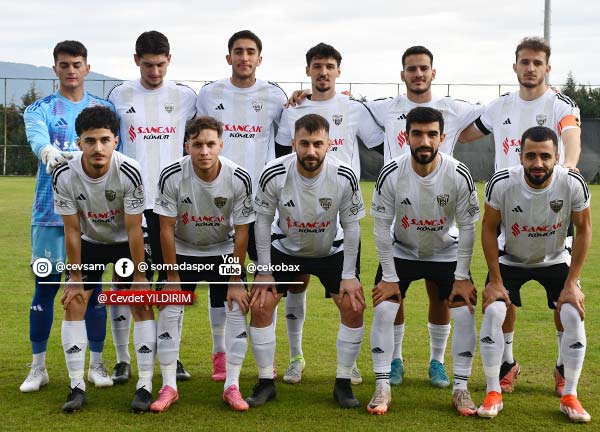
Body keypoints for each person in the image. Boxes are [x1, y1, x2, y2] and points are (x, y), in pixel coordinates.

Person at [460, 36, 581, 395]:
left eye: (537, 63)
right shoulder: (500, 106)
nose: (530, 68)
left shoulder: (560, 103)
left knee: (563, 296)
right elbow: (464, 134)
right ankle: (507, 363)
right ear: (515, 67)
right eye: (524, 62)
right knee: (503, 292)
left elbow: (571, 133)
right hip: (508, 209)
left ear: (547, 68)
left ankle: (563, 366)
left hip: (551, 209)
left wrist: (570, 166)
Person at [275, 42, 384, 384]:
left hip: (341, 215)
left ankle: (349, 363)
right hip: (298, 211)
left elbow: (383, 142)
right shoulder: (293, 110)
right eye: (317, 66)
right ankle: (296, 357)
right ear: (308, 70)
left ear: (338, 71)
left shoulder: (354, 109)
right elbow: (280, 154)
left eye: (329, 66)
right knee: (296, 285)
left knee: (348, 294)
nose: (323, 72)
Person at [247, 113, 365, 408]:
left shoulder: (344, 175)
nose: (311, 151)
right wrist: (264, 271)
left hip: (330, 250)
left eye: (317, 144)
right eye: (304, 144)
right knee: (260, 305)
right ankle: (265, 382)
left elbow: (352, 227)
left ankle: (343, 383)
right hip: (286, 248)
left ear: (329, 145)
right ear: (293, 144)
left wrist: (349, 275)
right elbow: (262, 222)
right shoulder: (274, 173)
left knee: (353, 307)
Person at [369, 107, 479, 416]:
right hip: (402, 249)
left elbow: (468, 228)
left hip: (446, 252)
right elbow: (381, 227)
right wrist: (389, 276)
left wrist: (461, 277)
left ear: (442, 137)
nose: (425, 141)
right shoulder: (392, 172)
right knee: (384, 307)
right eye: (417, 134)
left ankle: (459, 386)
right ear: (406, 137)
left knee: (464, 312)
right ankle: (383, 383)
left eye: (432, 134)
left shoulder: (458, 173)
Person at [477, 126, 590, 422]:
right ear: (521, 157)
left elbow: (584, 229)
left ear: (556, 157)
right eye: (530, 156)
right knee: (494, 311)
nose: (537, 163)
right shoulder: (502, 182)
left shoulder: (572, 183)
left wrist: (572, 283)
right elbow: (488, 228)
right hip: (511, 259)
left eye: (545, 156)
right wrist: (495, 281)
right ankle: (494, 390)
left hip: (555, 258)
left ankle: (569, 393)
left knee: (572, 313)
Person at [21, 40, 113, 393]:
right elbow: (37, 139)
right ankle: (38, 368)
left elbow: (112, 149)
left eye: (77, 64)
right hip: (49, 215)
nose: (71, 70)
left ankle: (97, 364)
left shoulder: (103, 108)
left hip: (93, 217)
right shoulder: (39, 109)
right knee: (44, 289)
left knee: (92, 289)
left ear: (87, 68)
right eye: (64, 64)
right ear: (55, 69)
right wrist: (47, 151)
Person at [196, 30, 287, 382]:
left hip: (263, 206)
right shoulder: (209, 94)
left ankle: (267, 356)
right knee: (221, 283)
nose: (244, 57)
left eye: (250, 52)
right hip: (218, 204)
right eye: (238, 51)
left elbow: (290, 134)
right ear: (228, 57)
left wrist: (305, 97)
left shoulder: (275, 96)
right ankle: (220, 354)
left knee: (267, 281)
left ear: (260, 59)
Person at [52, 106, 156, 412]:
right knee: (74, 301)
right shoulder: (64, 174)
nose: (98, 148)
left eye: (104, 140)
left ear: (116, 141)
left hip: (127, 242)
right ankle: (76, 387)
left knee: (139, 301)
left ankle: (145, 385)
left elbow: (134, 228)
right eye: (90, 141)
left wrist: (140, 277)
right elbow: (72, 230)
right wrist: (74, 278)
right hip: (90, 241)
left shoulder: (130, 170)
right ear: (79, 142)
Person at [108, 30, 196, 383]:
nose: (155, 72)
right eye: (148, 65)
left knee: (172, 280)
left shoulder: (186, 97)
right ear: (136, 61)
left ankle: (171, 356)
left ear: (169, 60)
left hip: (172, 204)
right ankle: (122, 358)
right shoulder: (119, 95)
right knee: (125, 276)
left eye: (161, 64)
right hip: (130, 202)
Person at [153, 116, 255, 412]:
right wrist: (172, 278)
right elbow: (165, 229)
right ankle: (169, 386)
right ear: (187, 146)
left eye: (211, 144)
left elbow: (243, 232)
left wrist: (235, 280)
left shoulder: (239, 177)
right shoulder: (171, 175)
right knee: (169, 309)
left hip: (222, 250)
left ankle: (232, 385)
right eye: (197, 144)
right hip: (182, 251)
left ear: (221, 144)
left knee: (237, 307)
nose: (204, 151)